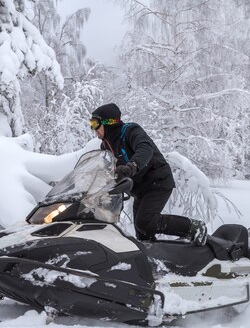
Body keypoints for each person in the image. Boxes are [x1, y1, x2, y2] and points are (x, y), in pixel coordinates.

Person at [89, 103, 208, 246]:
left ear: (108, 122)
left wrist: (132, 166)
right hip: (140, 190)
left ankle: (195, 227)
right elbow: (103, 169)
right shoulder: (106, 146)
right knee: (142, 232)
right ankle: (154, 260)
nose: (93, 129)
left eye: (95, 123)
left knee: (145, 222)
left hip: (158, 181)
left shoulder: (130, 131)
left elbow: (145, 148)